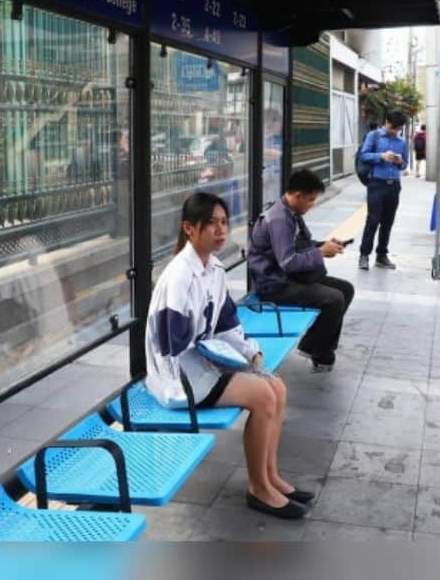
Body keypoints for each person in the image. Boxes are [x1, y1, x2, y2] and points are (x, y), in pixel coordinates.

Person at [145, 192, 312, 519]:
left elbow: (225, 324)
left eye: (224, 223)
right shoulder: (179, 276)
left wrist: (251, 354)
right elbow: (171, 348)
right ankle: (258, 488)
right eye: (211, 224)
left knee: (276, 386)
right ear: (189, 229)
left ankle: (270, 475)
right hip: (179, 377)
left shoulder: (215, 270)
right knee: (263, 395)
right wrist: (214, 353)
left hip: (202, 363)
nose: (221, 231)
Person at [248, 170, 355, 372]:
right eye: (311, 200)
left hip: (289, 278)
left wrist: (324, 244)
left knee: (346, 289)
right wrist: (321, 253)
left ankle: (313, 345)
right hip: (275, 284)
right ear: (298, 196)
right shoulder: (279, 219)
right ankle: (319, 351)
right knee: (334, 299)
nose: (312, 204)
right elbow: (288, 262)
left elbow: (301, 245)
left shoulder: (291, 213)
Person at [358, 110, 409, 270]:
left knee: (388, 222)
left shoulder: (402, 142)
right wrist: (381, 156)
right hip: (376, 184)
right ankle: (364, 255)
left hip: (394, 185)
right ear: (386, 122)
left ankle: (381, 255)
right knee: (373, 220)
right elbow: (363, 156)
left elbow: (405, 164)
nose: (395, 131)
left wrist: (400, 161)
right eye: (393, 127)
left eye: (398, 129)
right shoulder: (374, 136)